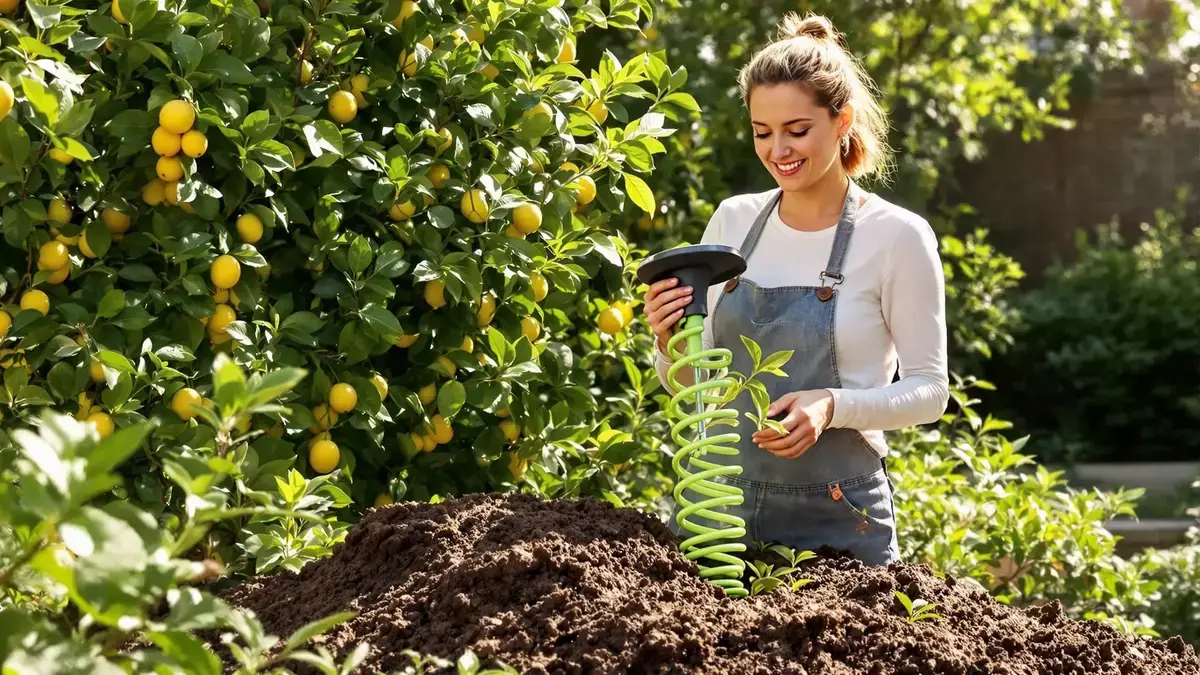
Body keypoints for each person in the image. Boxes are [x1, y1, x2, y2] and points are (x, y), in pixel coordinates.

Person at [643, 12, 949, 567]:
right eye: (763, 132)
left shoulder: (896, 237)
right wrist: (669, 344)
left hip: (841, 522)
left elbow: (929, 393)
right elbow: (694, 383)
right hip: (719, 514)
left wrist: (833, 406)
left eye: (797, 130)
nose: (778, 149)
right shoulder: (733, 222)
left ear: (842, 121)